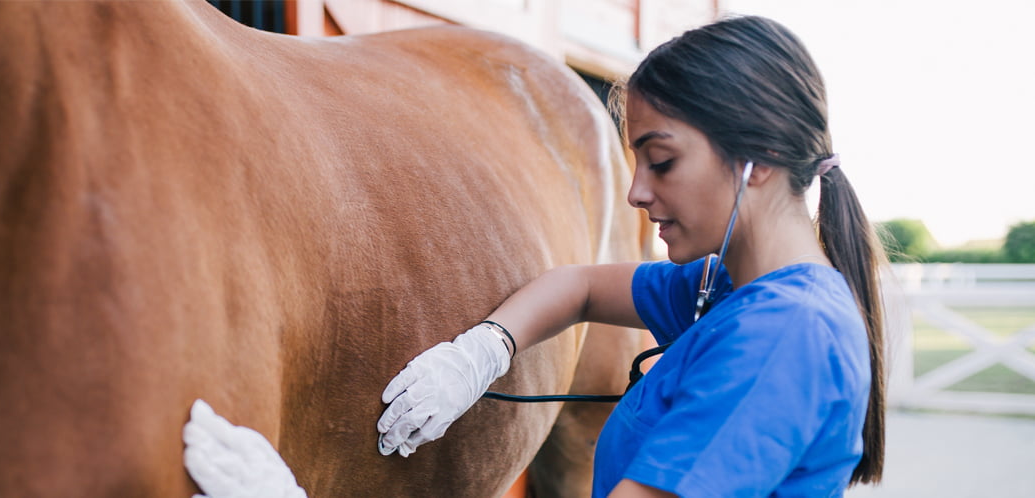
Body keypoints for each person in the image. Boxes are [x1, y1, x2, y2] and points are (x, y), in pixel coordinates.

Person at [375, 15, 887, 497]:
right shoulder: (729, 289)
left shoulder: (782, 333)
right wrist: (482, 351)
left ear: (760, 160)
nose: (635, 193)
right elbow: (581, 288)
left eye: (661, 162)